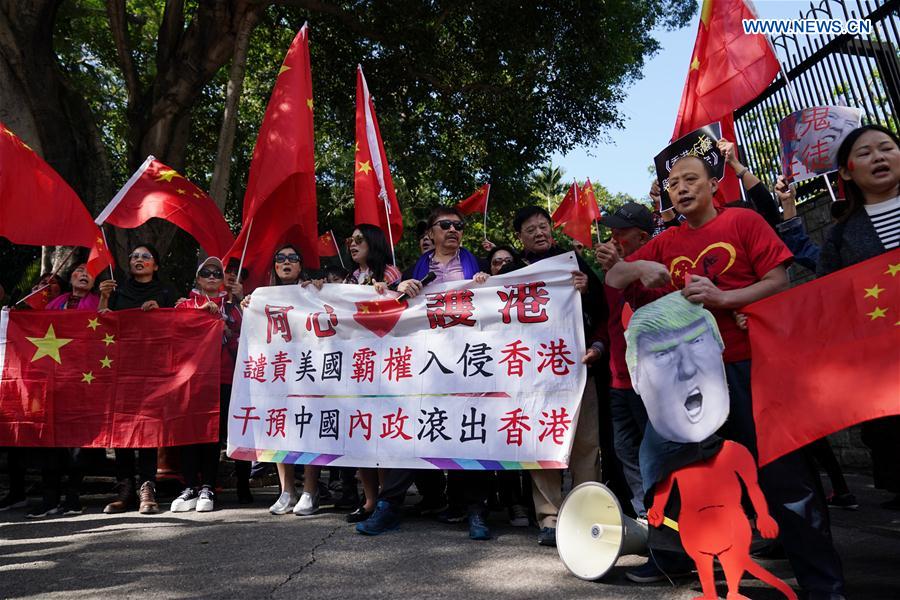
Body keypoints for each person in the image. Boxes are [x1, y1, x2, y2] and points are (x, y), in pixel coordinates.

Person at [606, 154, 846, 598]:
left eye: (691, 179)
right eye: (673, 182)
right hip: (691, 382)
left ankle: (823, 586)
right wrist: (637, 268)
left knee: (783, 477)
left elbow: (779, 280)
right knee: (683, 472)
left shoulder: (744, 223)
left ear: (715, 184)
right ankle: (691, 562)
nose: (680, 188)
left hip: (752, 366)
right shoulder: (667, 239)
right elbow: (616, 274)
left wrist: (724, 298)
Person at [357, 206, 491, 541]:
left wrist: (488, 284)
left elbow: (496, 302)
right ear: (430, 233)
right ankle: (389, 506)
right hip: (426, 363)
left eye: (459, 226)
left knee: (468, 429)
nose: (453, 230)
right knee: (413, 428)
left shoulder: (477, 265)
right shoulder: (417, 268)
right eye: (445, 225)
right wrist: (400, 286)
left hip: (467, 361)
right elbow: (392, 300)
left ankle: (475, 510)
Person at [512, 205, 607, 547]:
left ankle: (587, 511)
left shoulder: (573, 263)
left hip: (577, 367)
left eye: (543, 226)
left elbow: (602, 309)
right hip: (532, 375)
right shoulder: (511, 270)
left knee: (585, 443)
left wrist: (587, 289)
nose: (539, 233)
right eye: (531, 229)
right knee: (542, 442)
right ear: (519, 237)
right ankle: (549, 517)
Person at [818, 124, 900, 511]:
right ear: (847, 171)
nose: (879, 157)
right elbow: (825, 302)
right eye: (865, 153)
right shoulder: (840, 236)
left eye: (886, 148)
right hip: (884, 374)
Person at [241, 244, 323, 516]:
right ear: (274, 266)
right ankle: (287, 490)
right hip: (277, 373)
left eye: (293, 258)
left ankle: (311, 490)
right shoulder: (263, 297)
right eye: (280, 258)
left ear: (301, 266)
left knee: (310, 429)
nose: (286, 262)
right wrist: (248, 305)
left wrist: (322, 288)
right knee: (278, 427)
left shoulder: (314, 291)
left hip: (310, 371)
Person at [98, 243, 177, 515]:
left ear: (155, 265)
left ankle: (147, 488)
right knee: (120, 429)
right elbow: (101, 325)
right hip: (120, 370)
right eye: (134, 257)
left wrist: (163, 312)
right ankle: (125, 490)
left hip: (154, 371)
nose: (139, 260)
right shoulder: (116, 291)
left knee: (147, 429)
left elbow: (180, 324)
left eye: (146, 257)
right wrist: (104, 300)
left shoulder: (166, 292)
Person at [592, 202, 658, 518]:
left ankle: (667, 519)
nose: (613, 236)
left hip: (650, 378)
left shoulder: (654, 264)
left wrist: (623, 267)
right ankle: (645, 515)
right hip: (619, 377)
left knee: (654, 450)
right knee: (625, 450)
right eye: (611, 230)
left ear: (642, 236)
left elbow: (654, 305)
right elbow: (610, 320)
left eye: (621, 231)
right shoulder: (610, 273)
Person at [170, 257, 246, 513]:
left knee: (214, 433)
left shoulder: (233, 307)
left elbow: (247, 340)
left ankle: (208, 486)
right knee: (190, 430)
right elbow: (175, 338)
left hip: (224, 375)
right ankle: (190, 485)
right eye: (206, 273)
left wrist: (226, 330)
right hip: (191, 378)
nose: (212, 277)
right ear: (198, 278)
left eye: (217, 273)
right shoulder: (185, 305)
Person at [24, 261, 99, 518]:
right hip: (52, 381)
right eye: (79, 271)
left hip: (83, 381)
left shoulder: (99, 303)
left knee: (78, 441)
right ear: (70, 278)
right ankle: (49, 497)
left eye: (89, 272)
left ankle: (73, 497)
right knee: (50, 440)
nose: (84, 274)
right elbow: (31, 326)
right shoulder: (55, 303)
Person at [341, 224, 403, 523]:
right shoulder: (349, 278)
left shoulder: (390, 272)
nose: (352, 245)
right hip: (357, 364)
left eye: (359, 240)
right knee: (361, 432)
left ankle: (386, 497)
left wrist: (387, 292)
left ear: (374, 243)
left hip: (386, 364)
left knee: (382, 434)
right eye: (350, 241)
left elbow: (402, 305)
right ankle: (369, 499)